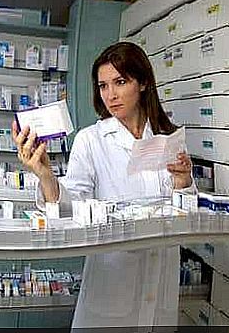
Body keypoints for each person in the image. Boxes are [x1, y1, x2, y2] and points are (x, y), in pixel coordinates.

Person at [12, 41, 196, 330]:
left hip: (160, 286)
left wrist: (183, 182)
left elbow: (186, 215)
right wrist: (46, 176)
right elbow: (70, 211)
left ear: (144, 82)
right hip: (112, 288)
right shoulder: (91, 140)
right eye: (103, 86)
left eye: (120, 82)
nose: (111, 95)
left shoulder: (168, 137)